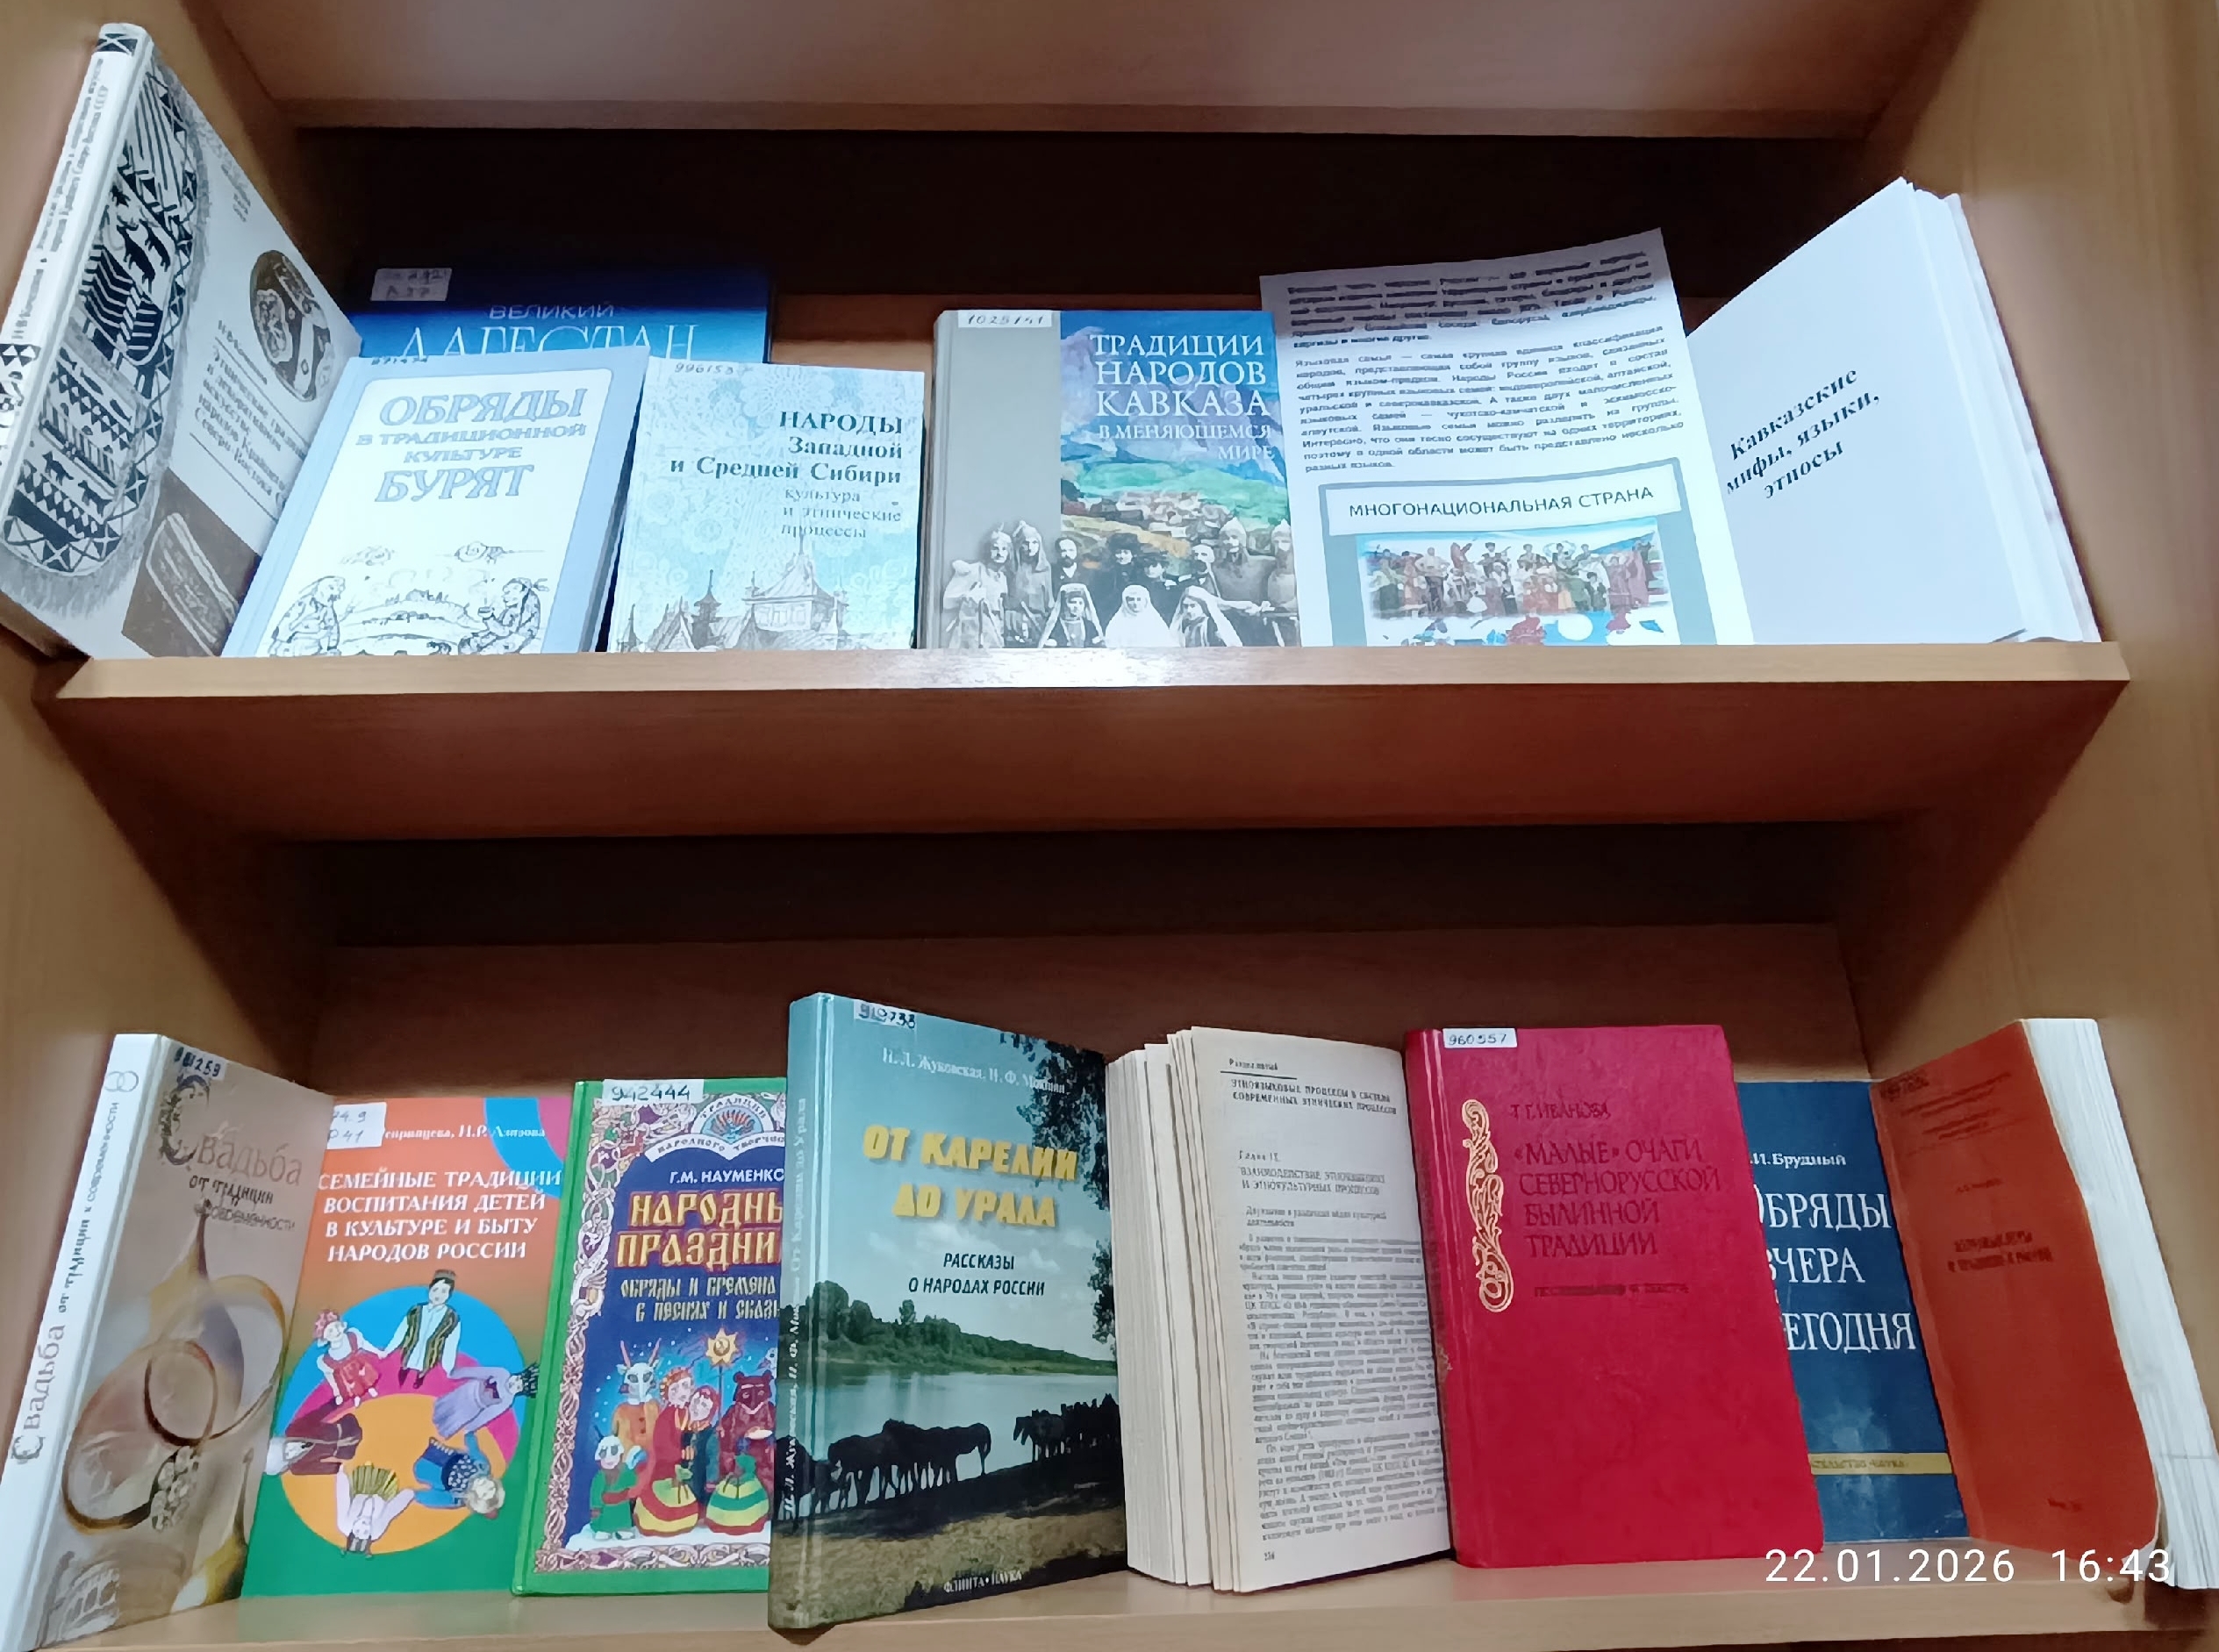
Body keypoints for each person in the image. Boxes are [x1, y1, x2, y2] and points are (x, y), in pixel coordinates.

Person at [633, 1369, 705, 1535]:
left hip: (685, 1468)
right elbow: (662, 1447)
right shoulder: (666, 1417)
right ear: (668, 1393)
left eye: (686, 1386)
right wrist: (680, 1454)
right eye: (676, 1388)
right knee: (665, 1501)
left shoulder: (687, 1413)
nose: (682, 1392)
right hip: (666, 1470)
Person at [382, 1269, 462, 1389]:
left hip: (431, 1353)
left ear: (449, 1294)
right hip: (411, 1348)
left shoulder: (451, 1318)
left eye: (444, 1291)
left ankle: (420, 1377)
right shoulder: (416, 1311)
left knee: (425, 1366)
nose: (438, 1295)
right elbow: (401, 1332)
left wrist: (448, 1368)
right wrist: (388, 1350)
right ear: (429, 1289)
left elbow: (451, 1344)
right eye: (435, 1290)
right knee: (406, 1362)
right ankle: (404, 1371)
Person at [940, 529, 1010, 648]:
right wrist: (967, 597)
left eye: (1004, 549)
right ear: (988, 550)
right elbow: (946, 602)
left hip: (994, 639)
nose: (1000, 553)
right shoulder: (972, 571)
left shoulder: (1002, 578)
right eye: (995, 548)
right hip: (970, 639)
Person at [312, 1311, 381, 1408]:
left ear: (342, 1325)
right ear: (324, 1338)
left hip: (359, 1366)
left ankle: (370, 1388)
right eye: (330, 1331)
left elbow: (364, 1344)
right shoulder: (327, 1358)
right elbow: (330, 1376)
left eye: (337, 1326)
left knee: (365, 1377)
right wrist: (337, 1392)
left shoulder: (352, 1337)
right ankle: (357, 1396)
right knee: (353, 1385)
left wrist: (378, 1352)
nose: (336, 1332)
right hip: (347, 1375)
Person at [1005, 521, 1053, 646]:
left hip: (1038, 620)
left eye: (1034, 543)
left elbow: (1049, 600)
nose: (1030, 547)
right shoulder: (1011, 568)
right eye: (1026, 543)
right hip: (1013, 619)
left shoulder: (1045, 568)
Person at [586, 1435, 639, 1538]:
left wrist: (631, 1492)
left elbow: (633, 1482)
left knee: (622, 1516)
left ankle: (623, 1529)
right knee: (606, 1519)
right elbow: (596, 1492)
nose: (609, 1459)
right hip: (606, 1507)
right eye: (604, 1455)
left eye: (614, 1453)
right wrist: (596, 1507)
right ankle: (604, 1530)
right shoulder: (600, 1477)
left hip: (622, 1505)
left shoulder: (625, 1471)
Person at [1102, 585, 1175, 648]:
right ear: (1125, 602)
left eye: (1139, 599)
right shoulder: (1116, 624)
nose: (1135, 603)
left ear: (1146, 601)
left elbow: (1165, 645)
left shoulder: (1156, 623)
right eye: (1131, 600)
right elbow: (1112, 646)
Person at [1175, 585, 1245, 647]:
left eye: (1193, 606)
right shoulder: (1187, 628)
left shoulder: (1211, 626)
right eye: (1185, 606)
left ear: (1203, 606)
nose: (1189, 611)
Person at [1038, 583, 1104, 647]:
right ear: (1064, 604)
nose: (1077, 606)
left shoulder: (1089, 626)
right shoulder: (1056, 626)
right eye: (1072, 602)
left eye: (1080, 603)